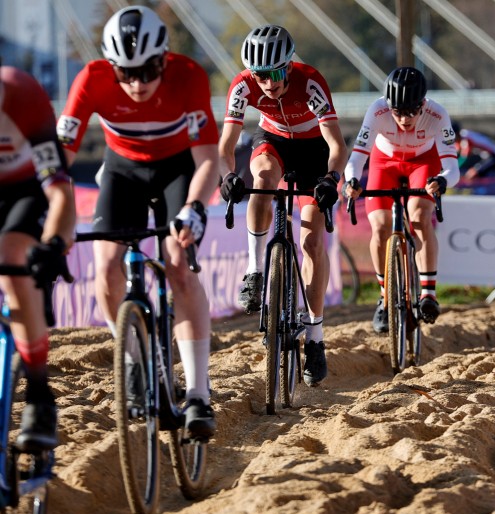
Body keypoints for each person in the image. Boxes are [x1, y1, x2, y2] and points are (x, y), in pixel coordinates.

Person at [56, 6, 219, 438]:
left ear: (164, 59)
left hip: (176, 169)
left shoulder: (189, 76)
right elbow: (59, 162)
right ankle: (130, 357)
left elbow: (208, 161)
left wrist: (195, 208)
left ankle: (199, 393)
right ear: (111, 67)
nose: (137, 84)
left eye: (148, 71)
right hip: (121, 170)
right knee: (106, 266)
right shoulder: (90, 78)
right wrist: (54, 217)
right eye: (126, 73)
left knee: (178, 263)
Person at [218, 25, 347, 387]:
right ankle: (254, 270)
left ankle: (316, 339)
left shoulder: (310, 82)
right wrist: (227, 175)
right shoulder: (242, 86)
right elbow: (226, 143)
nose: (268, 83)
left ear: (288, 66)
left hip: (313, 151)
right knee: (261, 180)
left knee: (311, 243)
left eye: (275, 73)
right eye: (261, 75)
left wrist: (331, 179)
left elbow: (336, 145)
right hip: (272, 138)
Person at [344, 67, 459, 333]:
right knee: (381, 226)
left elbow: (452, 168)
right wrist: (352, 181)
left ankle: (428, 294)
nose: (405, 119)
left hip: (422, 161)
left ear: (423, 105)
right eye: (398, 112)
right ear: (388, 106)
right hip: (385, 163)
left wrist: (441, 181)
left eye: (411, 112)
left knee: (418, 217)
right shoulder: (377, 111)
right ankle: (385, 298)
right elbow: (357, 158)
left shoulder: (437, 115)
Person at [0, 60, 76, 451]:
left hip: (26, 189)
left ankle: (39, 393)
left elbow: (60, 193)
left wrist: (54, 244)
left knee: (13, 257)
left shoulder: (24, 96)